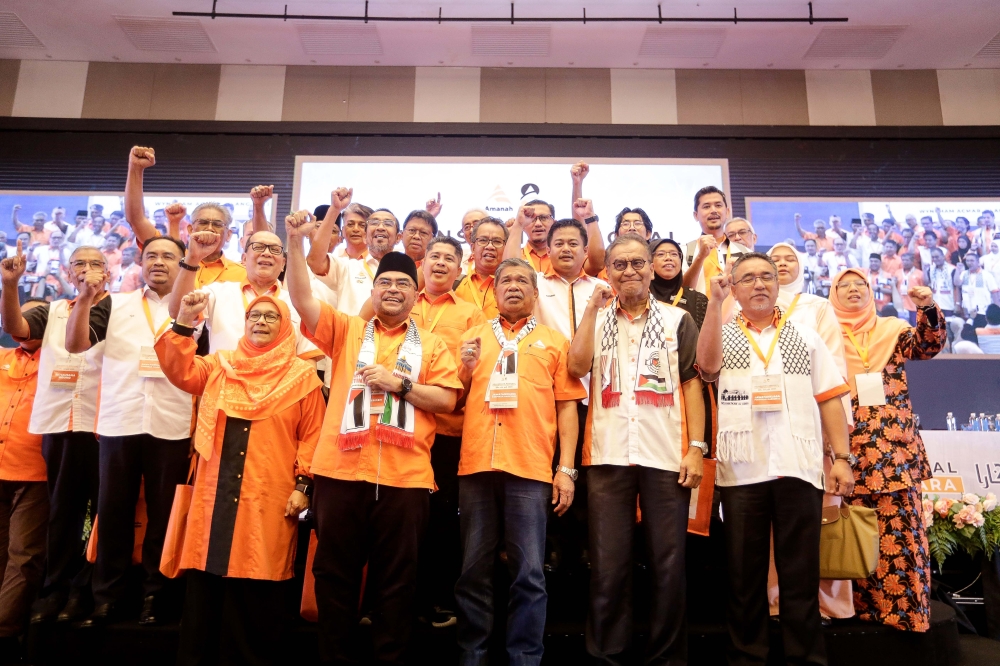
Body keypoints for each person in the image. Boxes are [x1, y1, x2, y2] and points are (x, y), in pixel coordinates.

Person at [284, 210, 462, 665]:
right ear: (374, 290)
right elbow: (302, 297)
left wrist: (398, 383)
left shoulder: (433, 346)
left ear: (415, 294)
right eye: (386, 284)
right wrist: (293, 241)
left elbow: (445, 402)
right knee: (333, 575)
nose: (394, 291)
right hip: (340, 474)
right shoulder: (346, 331)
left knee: (397, 582)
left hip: (405, 481)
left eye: (403, 285)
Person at [696, 252, 854, 666]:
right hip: (742, 471)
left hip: (798, 468)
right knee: (744, 579)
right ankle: (748, 658)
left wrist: (841, 458)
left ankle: (806, 658)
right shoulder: (724, 332)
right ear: (734, 286)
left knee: (800, 576)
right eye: (748, 278)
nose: (760, 285)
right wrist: (714, 304)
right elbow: (707, 367)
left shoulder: (805, 334)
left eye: (767, 276)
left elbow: (831, 400)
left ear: (778, 283)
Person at [155, 292, 323, 665]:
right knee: (207, 584)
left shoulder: (303, 377)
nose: (260, 322)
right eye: (254, 316)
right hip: (214, 492)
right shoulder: (220, 365)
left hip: (270, 496)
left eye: (270, 317)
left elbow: (313, 435)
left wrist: (304, 486)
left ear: (285, 328)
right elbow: (179, 371)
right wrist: (183, 321)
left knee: (257, 583)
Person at [567, 234, 705, 665]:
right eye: (620, 264)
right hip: (608, 454)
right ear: (607, 271)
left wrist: (697, 446)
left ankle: (667, 659)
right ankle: (607, 655)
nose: (630, 271)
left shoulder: (677, 319)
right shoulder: (595, 316)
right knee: (608, 566)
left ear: (651, 268)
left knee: (668, 565)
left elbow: (692, 385)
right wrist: (591, 308)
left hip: (666, 454)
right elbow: (574, 368)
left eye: (637, 263)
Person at [455, 257, 585, 666]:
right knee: (472, 572)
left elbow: (567, 409)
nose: (513, 286)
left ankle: (525, 658)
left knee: (529, 574)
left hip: (530, 469)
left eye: (522, 281)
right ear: (494, 294)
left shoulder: (554, 341)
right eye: (505, 280)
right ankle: (471, 656)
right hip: (476, 467)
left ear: (534, 293)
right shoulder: (473, 338)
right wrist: (465, 367)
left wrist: (566, 470)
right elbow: (451, 399)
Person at [62, 236, 195, 628]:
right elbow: (75, 346)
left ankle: (155, 598)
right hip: (119, 421)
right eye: (151, 255)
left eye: (168, 256)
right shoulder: (115, 304)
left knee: (162, 517)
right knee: (114, 514)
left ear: (183, 264)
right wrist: (84, 300)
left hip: (172, 424)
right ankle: (108, 599)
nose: (158, 262)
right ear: (140, 262)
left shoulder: (195, 304)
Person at [829, 268, 945, 632]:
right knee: (853, 531)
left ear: (870, 291)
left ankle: (905, 613)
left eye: (859, 284)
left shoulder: (892, 330)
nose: (852, 290)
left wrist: (926, 307)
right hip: (846, 446)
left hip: (894, 450)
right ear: (832, 293)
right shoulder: (825, 335)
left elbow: (927, 346)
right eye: (843, 285)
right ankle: (858, 610)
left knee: (901, 531)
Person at [0, 243, 109, 624]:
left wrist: (88, 298)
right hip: (59, 425)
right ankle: (56, 588)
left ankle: (89, 590)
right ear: (66, 272)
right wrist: (10, 285)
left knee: (103, 515)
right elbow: (16, 329)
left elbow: (80, 346)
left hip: (103, 427)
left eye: (96, 263)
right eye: (79, 264)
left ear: (108, 272)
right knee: (63, 512)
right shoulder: (53, 309)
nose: (88, 269)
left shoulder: (119, 308)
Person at [764, 242, 854, 623]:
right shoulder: (744, 307)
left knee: (822, 518)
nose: (783, 265)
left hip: (811, 426)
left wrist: (837, 442)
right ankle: (775, 600)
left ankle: (827, 603)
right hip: (766, 427)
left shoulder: (816, 306)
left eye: (790, 260)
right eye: (775, 260)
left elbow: (833, 368)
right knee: (772, 521)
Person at [167, 224, 321, 360]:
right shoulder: (218, 292)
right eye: (258, 247)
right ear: (244, 259)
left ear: (283, 264)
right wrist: (192, 259)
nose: (267, 253)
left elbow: (308, 361)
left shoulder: (299, 304)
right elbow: (177, 312)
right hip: (225, 388)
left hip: (277, 391)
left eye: (275, 249)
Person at [0, 300, 48, 662]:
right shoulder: (3, 357)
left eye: (35, 317)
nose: (24, 323)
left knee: (24, 556)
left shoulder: (63, 359)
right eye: (20, 316)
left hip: (36, 472)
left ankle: (5, 632)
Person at [125, 146, 249, 287]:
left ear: (228, 235)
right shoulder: (170, 258)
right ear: (190, 230)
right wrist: (136, 169)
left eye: (217, 224)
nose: (209, 228)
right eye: (202, 222)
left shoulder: (244, 274)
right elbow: (136, 219)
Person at [310, 195, 397, 316]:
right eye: (375, 223)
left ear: (398, 238)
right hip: (352, 333)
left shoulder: (406, 270)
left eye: (387, 224)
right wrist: (335, 209)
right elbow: (315, 261)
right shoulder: (347, 266)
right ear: (365, 237)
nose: (380, 228)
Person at [649, 238, 709, 328]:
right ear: (649, 262)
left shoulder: (698, 300)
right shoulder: (639, 297)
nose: (668, 258)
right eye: (661, 254)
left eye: (674, 254)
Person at [454, 217, 506, 320]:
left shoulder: (512, 288)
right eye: (483, 240)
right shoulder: (454, 285)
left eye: (497, 241)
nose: (490, 246)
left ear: (506, 247)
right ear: (473, 248)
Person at [683, 186, 729, 295]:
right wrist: (700, 256)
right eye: (706, 206)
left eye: (718, 205)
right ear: (696, 215)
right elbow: (681, 292)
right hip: (698, 312)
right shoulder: (683, 252)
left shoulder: (745, 252)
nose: (713, 210)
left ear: (727, 212)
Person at [956, 252, 1000, 327]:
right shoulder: (964, 274)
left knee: (980, 335)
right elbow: (957, 284)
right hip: (967, 311)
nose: (969, 263)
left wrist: (997, 310)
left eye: (972, 261)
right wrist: (957, 269)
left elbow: (994, 293)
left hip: (982, 312)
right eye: (967, 260)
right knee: (968, 335)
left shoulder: (987, 275)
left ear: (978, 262)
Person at [926, 248, 957, 317]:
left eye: (937, 257)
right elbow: (926, 283)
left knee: (948, 326)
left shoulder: (952, 269)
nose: (935, 259)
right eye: (933, 257)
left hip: (948, 304)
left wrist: (957, 303)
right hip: (935, 304)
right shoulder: (930, 269)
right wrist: (925, 271)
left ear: (943, 256)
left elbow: (956, 287)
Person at [458, 208, 488, 276]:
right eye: (467, 227)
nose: (471, 230)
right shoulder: (458, 258)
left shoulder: (501, 256)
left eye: (476, 224)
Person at [899, 252, 926, 325]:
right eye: (903, 260)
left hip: (914, 306)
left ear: (912, 261)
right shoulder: (897, 273)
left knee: (914, 327)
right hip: (900, 305)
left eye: (907, 260)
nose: (905, 262)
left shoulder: (920, 274)